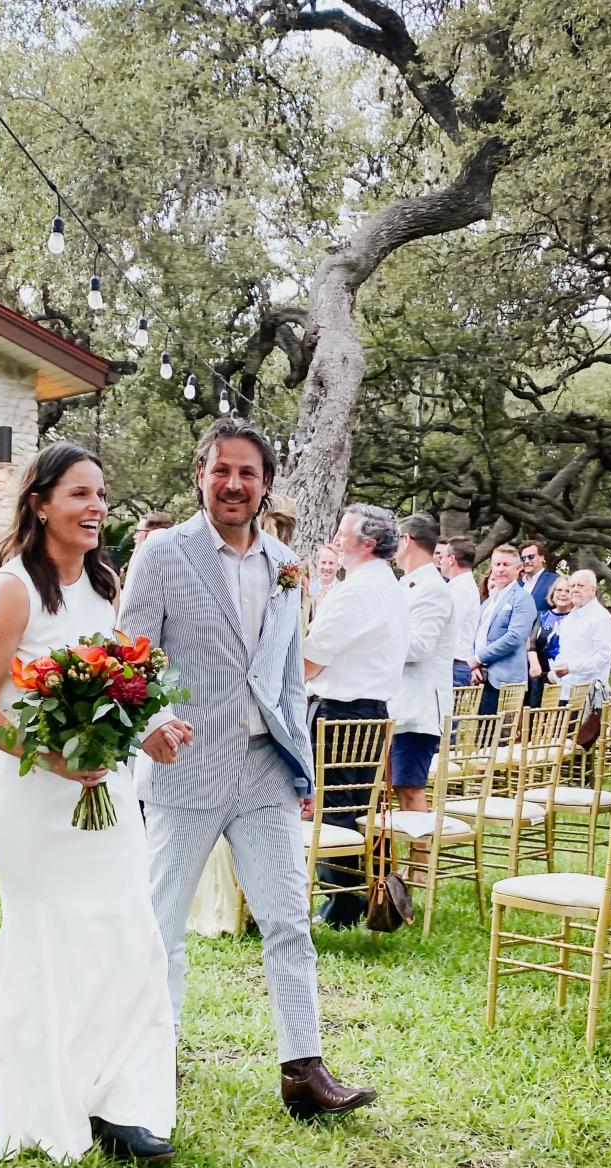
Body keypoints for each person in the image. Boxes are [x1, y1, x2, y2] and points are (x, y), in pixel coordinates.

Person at [0, 441, 176, 1166]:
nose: (97, 507)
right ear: (39, 503)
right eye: (79, 494)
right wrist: (53, 755)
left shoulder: (105, 583)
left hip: (109, 793)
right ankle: (39, 1100)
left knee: (130, 935)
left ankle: (121, 1102)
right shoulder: (11, 589)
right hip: (36, 798)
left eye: (101, 494)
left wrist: (149, 728)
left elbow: (123, 683)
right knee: (47, 942)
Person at [120, 418, 377, 1119]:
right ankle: (154, 1056)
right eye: (221, 470)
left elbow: (289, 673)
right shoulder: (164, 556)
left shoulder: (286, 565)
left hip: (266, 768)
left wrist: (302, 765)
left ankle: (304, 1070)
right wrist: (147, 727)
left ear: (265, 485)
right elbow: (128, 655)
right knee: (162, 922)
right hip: (187, 764)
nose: (234, 483)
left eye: (248, 473)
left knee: (289, 920)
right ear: (201, 475)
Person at [303, 504, 410, 927]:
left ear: (367, 543)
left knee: (334, 807)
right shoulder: (386, 584)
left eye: (342, 532)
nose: (336, 538)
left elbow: (315, 655)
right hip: (366, 709)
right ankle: (345, 902)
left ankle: (343, 906)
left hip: (343, 712)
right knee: (346, 805)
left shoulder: (361, 589)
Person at [391, 514, 454, 818]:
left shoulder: (433, 588)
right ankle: (387, 865)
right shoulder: (407, 583)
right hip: (397, 703)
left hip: (419, 707)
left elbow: (419, 646)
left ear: (406, 540)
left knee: (410, 788)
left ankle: (420, 866)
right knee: (390, 787)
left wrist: (377, 640)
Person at [469, 545, 537, 714]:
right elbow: (477, 635)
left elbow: (515, 637)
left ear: (518, 568)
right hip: (482, 677)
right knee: (480, 735)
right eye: (497, 564)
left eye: (506, 565)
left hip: (506, 681)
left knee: (501, 737)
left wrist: (478, 658)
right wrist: (475, 665)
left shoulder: (523, 599)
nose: (500, 569)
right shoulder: (487, 602)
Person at [549, 569, 611, 699]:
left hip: (589, 695)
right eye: (572, 586)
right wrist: (556, 670)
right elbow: (564, 651)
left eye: (580, 585)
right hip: (565, 691)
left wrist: (572, 668)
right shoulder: (570, 618)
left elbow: (604, 658)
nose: (575, 589)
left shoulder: (601, 618)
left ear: (593, 590)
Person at [440, 536, 480, 686]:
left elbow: (448, 627)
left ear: (451, 559)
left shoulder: (460, 589)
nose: (440, 561)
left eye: (442, 556)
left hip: (453, 665)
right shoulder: (461, 586)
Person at [529, 576, 574, 704]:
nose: (563, 594)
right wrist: (534, 664)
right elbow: (532, 643)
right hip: (540, 676)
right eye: (559, 590)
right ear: (553, 593)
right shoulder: (542, 616)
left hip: (565, 678)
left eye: (567, 591)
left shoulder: (576, 619)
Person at [520, 540, 558, 612]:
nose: (526, 561)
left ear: (542, 558)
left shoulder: (555, 581)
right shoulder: (517, 585)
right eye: (523, 558)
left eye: (531, 557)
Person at [308, 543, 340, 623]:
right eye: (323, 562)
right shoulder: (309, 589)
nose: (326, 567)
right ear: (317, 564)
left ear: (339, 565)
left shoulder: (342, 590)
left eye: (331, 563)